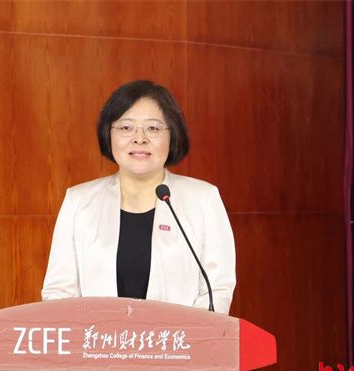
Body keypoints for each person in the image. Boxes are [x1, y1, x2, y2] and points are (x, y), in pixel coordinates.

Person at [41, 80, 236, 314]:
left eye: (153, 128)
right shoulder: (79, 202)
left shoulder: (203, 200)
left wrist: (189, 333)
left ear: (172, 135)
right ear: (108, 133)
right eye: (126, 127)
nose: (139, 138)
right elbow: (59, 292)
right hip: (96, 336)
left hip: (177, 337)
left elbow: (217, 288)